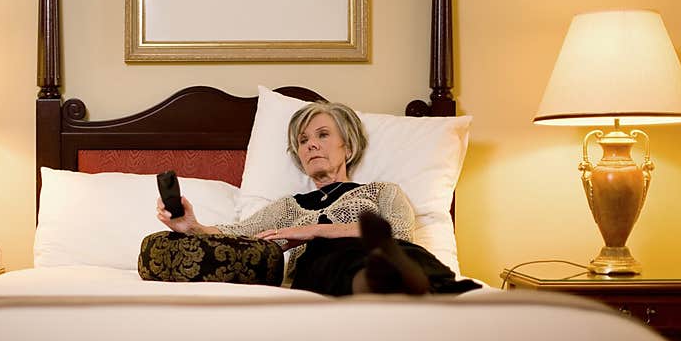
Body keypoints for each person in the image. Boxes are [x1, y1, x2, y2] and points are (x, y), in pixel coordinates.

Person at [156, 101, 479, 296]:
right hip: (323, 266)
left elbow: (399, 235)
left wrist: (314, 230)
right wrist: (192, 226)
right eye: (303, 140)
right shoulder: (287, 207)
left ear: (348, 147)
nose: (311, 145)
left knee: (399, 253)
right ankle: (396, 290)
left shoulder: (382, 192)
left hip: (387, 250)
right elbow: (235, 234)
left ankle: (427, 283)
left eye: (323, 135)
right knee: (333, 260)